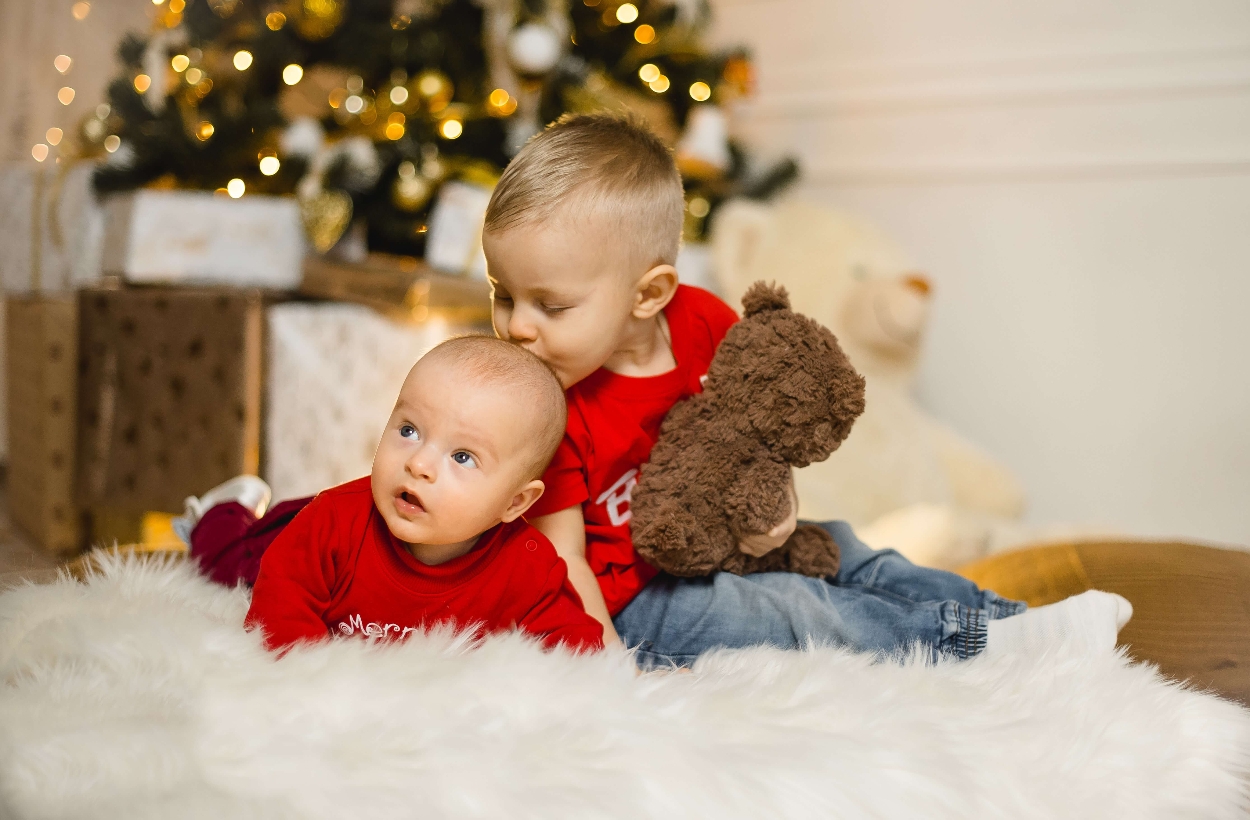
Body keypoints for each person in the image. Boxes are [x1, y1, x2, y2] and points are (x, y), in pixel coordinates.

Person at [480, 113, 1132, 668]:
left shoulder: (702, 322)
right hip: (637, 605)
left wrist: (780, 511)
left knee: (846, 547)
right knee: (791, 610)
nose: (517, 327)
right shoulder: (542, 407)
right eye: (502, 296)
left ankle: (1013, 623)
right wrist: (607, 669)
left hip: (724, 545)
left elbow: (759, 431)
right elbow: (563, 563)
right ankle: (975, 649)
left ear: (649, 294)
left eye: (550, 305)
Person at [185, 336, 604, 654]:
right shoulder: (332, 523)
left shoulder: (528, 566)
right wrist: (313, 681)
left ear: (515, 503)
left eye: (462, 456)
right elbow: (281, 610)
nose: (418, 463)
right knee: (226, 564)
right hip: (294, 528)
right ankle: (223, 510)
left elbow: (576, 650)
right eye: (409, 431)